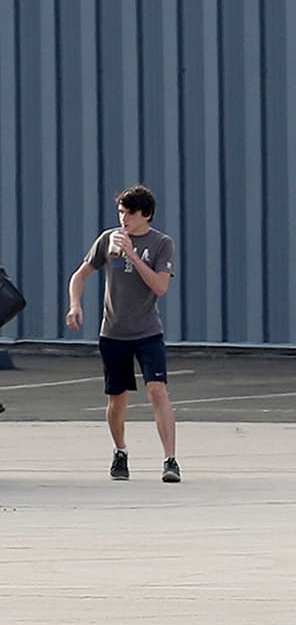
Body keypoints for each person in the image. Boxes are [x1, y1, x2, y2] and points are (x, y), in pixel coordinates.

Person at [66, 185, 179, 483]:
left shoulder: (161, 244)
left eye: (130, 213)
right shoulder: (108, 239)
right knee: (117, 399)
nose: (124, 219)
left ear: (146, 215)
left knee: (157, 390)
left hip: (148, 331)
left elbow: (160, 287)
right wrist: (75, 304)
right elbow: (79, 275)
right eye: (121, 212)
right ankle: (120, 451)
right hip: (114, 332)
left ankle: (170, 459)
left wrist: (132, 255)